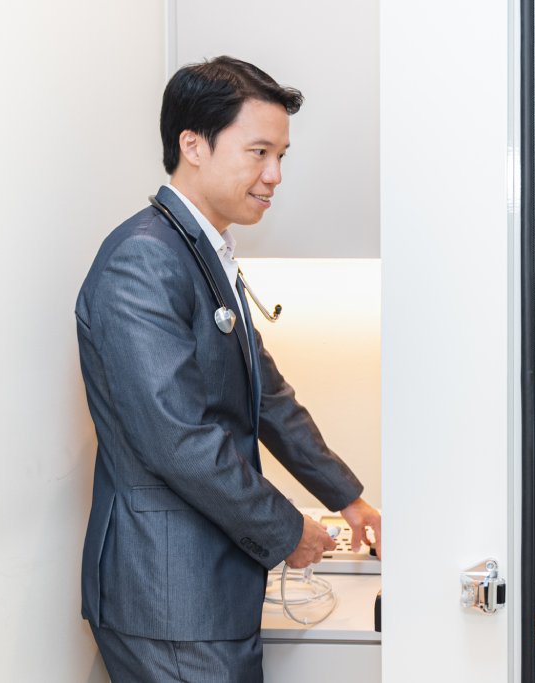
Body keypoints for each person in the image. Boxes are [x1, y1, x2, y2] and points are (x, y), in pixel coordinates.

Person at [75, 56, 381, 682]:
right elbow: (178, 440)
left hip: (206, 588)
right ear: (193, 145)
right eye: (259, 152)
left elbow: (266, 395)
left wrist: (347, 498)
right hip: (169, 595)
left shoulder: (201, 252)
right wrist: (287, 529)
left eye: (281, 156)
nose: (274, 175)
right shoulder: (144, 261)